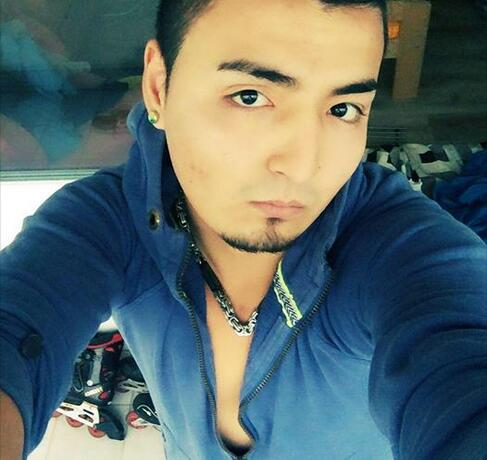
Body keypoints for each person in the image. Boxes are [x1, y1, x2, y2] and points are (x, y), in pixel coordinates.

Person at [1, 0, 486, 459]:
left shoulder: (397, 249)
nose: (303, 166)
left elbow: (460, 349)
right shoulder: (105, 223)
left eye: (342, 108)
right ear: (158, 88)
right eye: (249, 96)